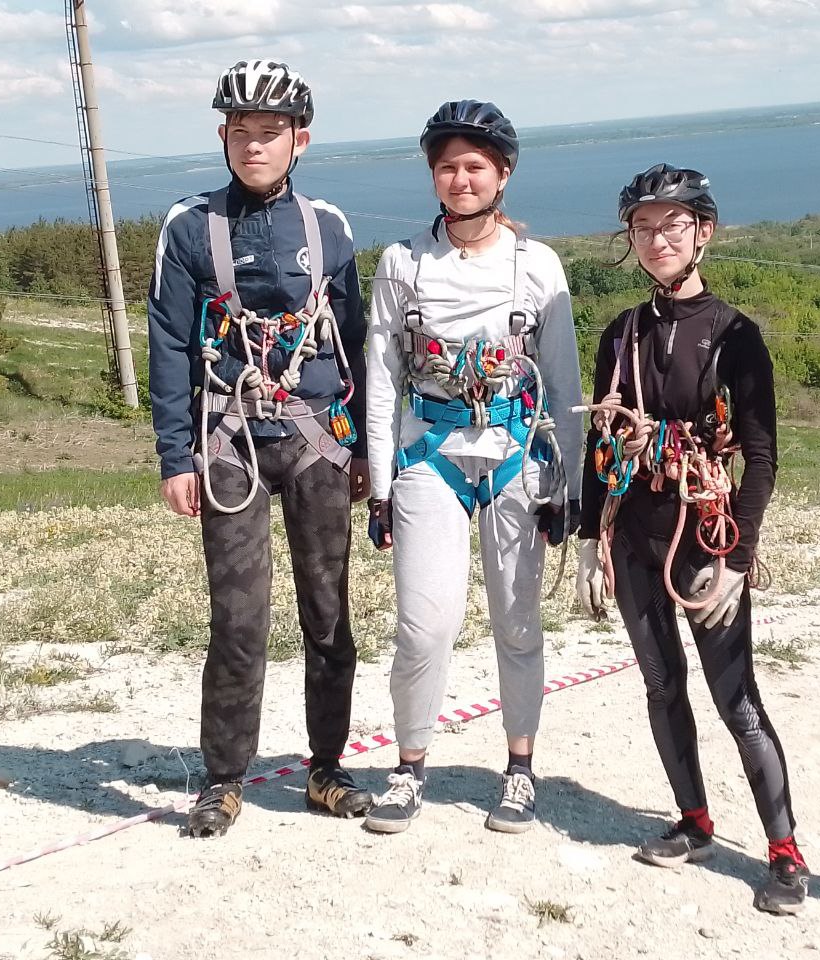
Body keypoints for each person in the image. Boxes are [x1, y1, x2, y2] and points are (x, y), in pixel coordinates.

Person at [573, 164, 809, 915]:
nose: (657, 240)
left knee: (735, 699)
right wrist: (589, 540)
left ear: (703, 231)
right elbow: (600, 441)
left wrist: (738, 560)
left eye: (672, 225)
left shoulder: (735, 336)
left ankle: (785, 852)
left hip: (704, 534)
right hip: (633, 535)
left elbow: (762, 456)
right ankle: (695, 821)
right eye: (642, 227)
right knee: (661, 684)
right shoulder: (621, 334)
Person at [147, 60, 372, 837]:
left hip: (317, 441)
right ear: (223, 136)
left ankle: (326, 768)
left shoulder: (328, 227)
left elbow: (354, 339)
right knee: (238, 621)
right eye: (240, 131)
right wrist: (174, 456)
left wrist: (363, 447)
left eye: (270, 132)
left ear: (298, 140)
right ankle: (223, 778)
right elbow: (168, 343)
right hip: (228, 440)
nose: (254, 145)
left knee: (328, 614)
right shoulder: (188, 227)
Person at [363, 100, 583, 836]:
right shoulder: (402, 264)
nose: (461, 180)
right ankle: (409, 766)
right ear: (433, 175)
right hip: (430, 453)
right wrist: (380, 487)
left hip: (516, 455)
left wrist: (569, 487)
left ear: (503, 174)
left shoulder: (537, 266)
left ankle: (520, 768)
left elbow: (564, 382)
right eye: (448, 167)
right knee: (424, 627)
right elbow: (383, 380)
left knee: (517, 623)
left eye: (475, 167)